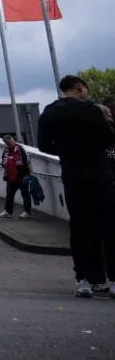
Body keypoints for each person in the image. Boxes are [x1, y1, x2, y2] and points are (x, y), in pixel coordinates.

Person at [37, 74, 115, 299]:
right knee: (108, 225)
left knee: (80, 227)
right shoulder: (91, 110)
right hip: (99, 173)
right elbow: (109, 140)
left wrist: (66, 151)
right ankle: (112, 279)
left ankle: (85, 279)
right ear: (80, 88)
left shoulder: (50, 112)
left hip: (72, 175)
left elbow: (43, 146)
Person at [0, 134, 33, 219]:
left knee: (25, 193)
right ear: (6, 143)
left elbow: (28, 161)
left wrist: (30, 175)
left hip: (22, 174)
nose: (11, 144)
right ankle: (8, 211)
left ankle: (27, 212)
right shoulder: (6, 151)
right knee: (9, 194)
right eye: (8, 143)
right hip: (11, 175)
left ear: (13, 140)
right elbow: (4, 160)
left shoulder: (20, 149)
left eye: (11, 141)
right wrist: (4, 165)